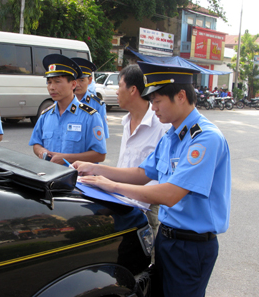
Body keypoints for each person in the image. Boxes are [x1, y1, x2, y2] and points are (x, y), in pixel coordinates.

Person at [73, 62, 231, 297]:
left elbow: (170, 194)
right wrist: (96, 169)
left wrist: (112, 186)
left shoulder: (205, 139)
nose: (153, 107)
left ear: (180, 96)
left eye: (157, 101)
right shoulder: (171, 136)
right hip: (167, 240)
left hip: (191, 246)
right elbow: (142, 173)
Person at [116, 64, 170, 263]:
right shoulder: (126, 121)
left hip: (147, 208)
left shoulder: (161, 125)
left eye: (119, 85)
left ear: (133, 90)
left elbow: (157, 175)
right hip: (122, 201)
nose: (116, 90)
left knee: (148, 263)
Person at [29, 54, 107, 165]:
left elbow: (100, 154)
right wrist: (41, 151)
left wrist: (66, 158)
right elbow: (36, 143)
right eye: (49, 82)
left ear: (73, 84)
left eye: (57, 81)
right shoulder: (45, 115)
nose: (52, 87)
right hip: (49, 177)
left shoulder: (90, 116)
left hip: (77, 180)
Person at [71, 57, 109, 138]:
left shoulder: (98, 105)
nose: (77, 84)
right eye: (75, 80)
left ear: (90, 80)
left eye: (81, 80)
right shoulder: (63, 102)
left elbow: (102, 136)